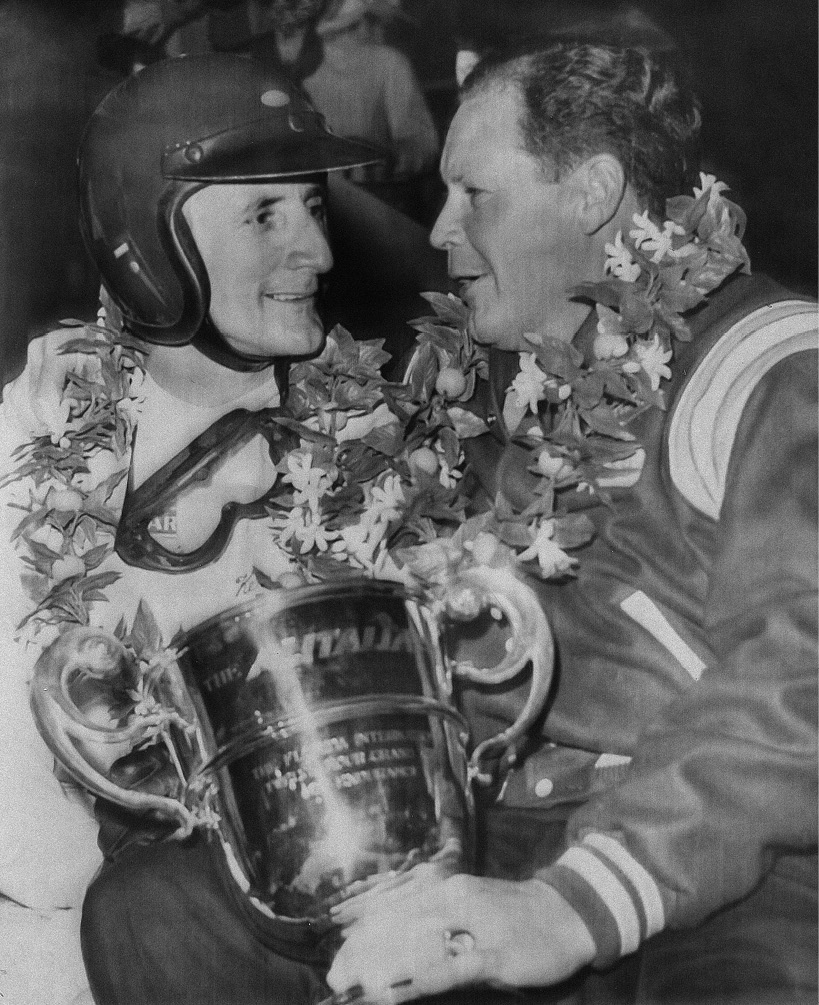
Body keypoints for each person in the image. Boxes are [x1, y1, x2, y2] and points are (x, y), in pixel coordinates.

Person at [324, 43, 818, 1005]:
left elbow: (803, 674)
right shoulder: (533, 387)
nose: (437, 229)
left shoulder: (776, 365)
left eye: (474, 193)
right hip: (515, 832)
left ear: (593, 190)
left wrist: (571, 905)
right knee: (166, 909)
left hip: (731, 864)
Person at [0, 52, 385, 1005]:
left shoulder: (366, 432)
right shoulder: (33, 440)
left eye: (313, 207)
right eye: (264, 215)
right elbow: (34, 853)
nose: (319, 253)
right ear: (150, 241)